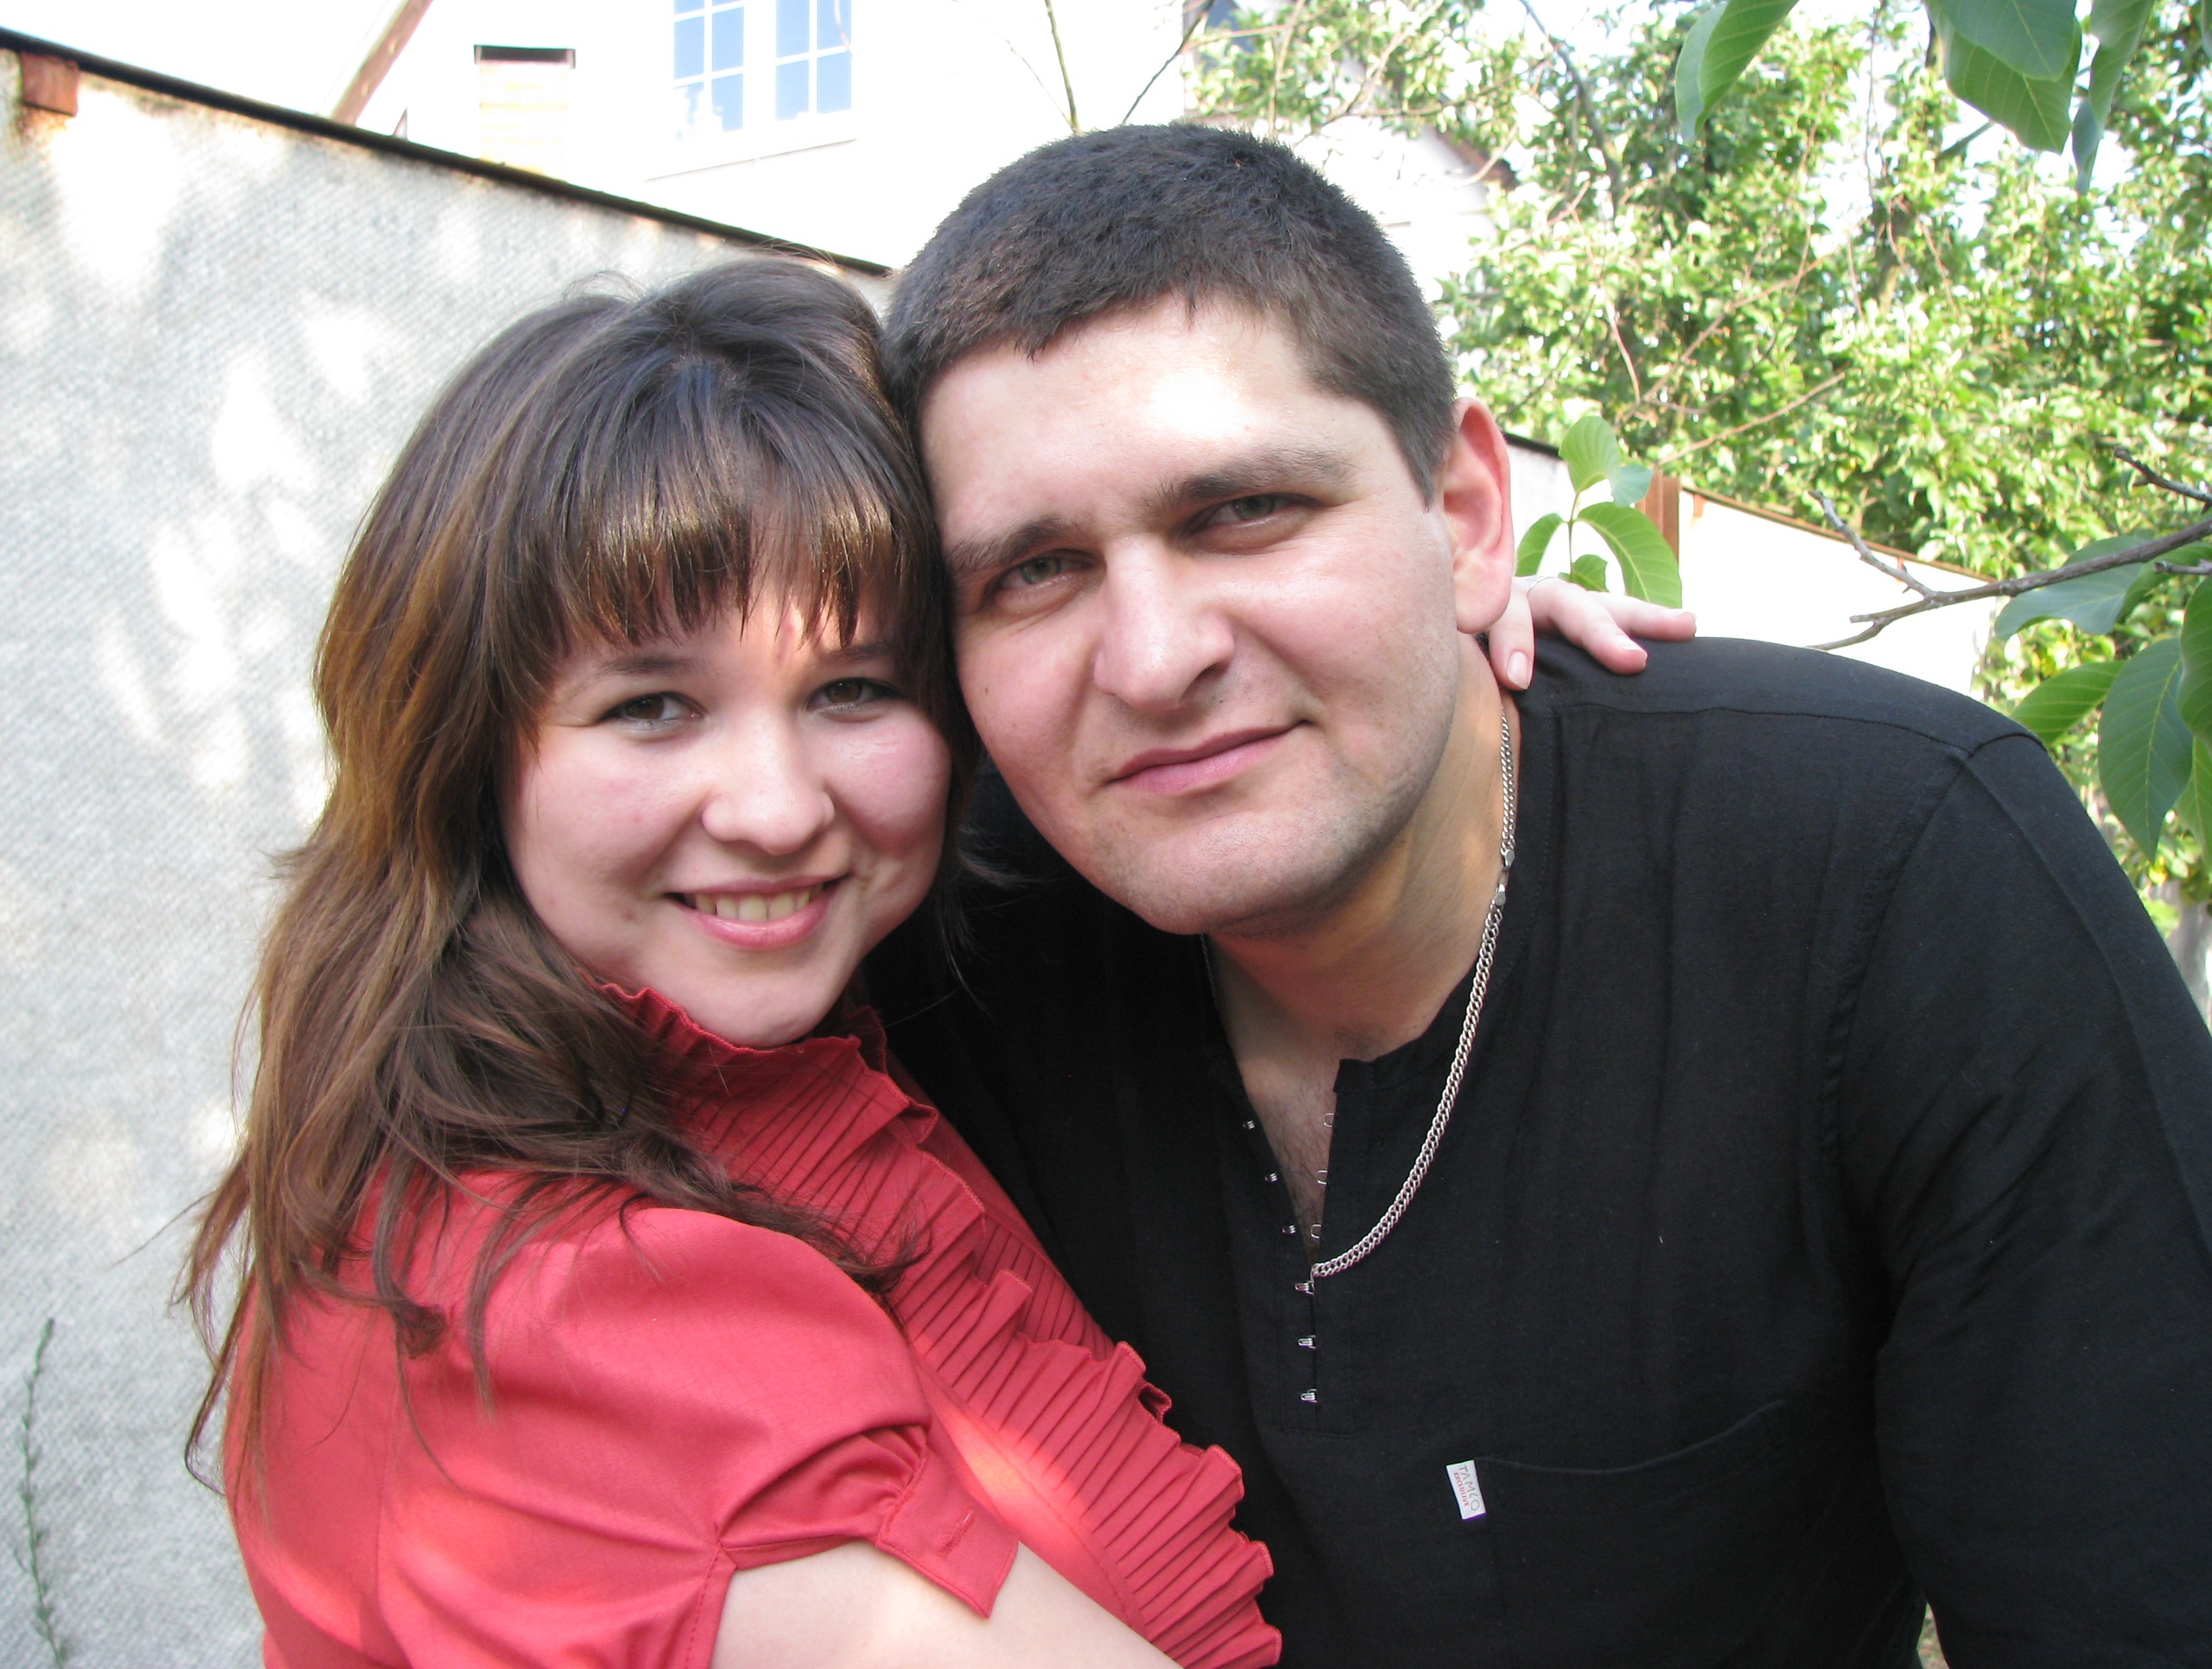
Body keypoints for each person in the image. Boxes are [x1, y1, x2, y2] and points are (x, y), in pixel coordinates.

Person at [866, 124, 2212, 1667]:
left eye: (1245, 512)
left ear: (1462, 516)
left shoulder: (1889, 872)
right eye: (1032, 572)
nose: (1155, 659)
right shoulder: (931, 941)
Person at [181, 261, 1293, 1669]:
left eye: (853, 689)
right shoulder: (578, 1320)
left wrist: (1432, 683)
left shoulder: (767, 1060)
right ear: (465, 746)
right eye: (652, 706)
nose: (774, 809)